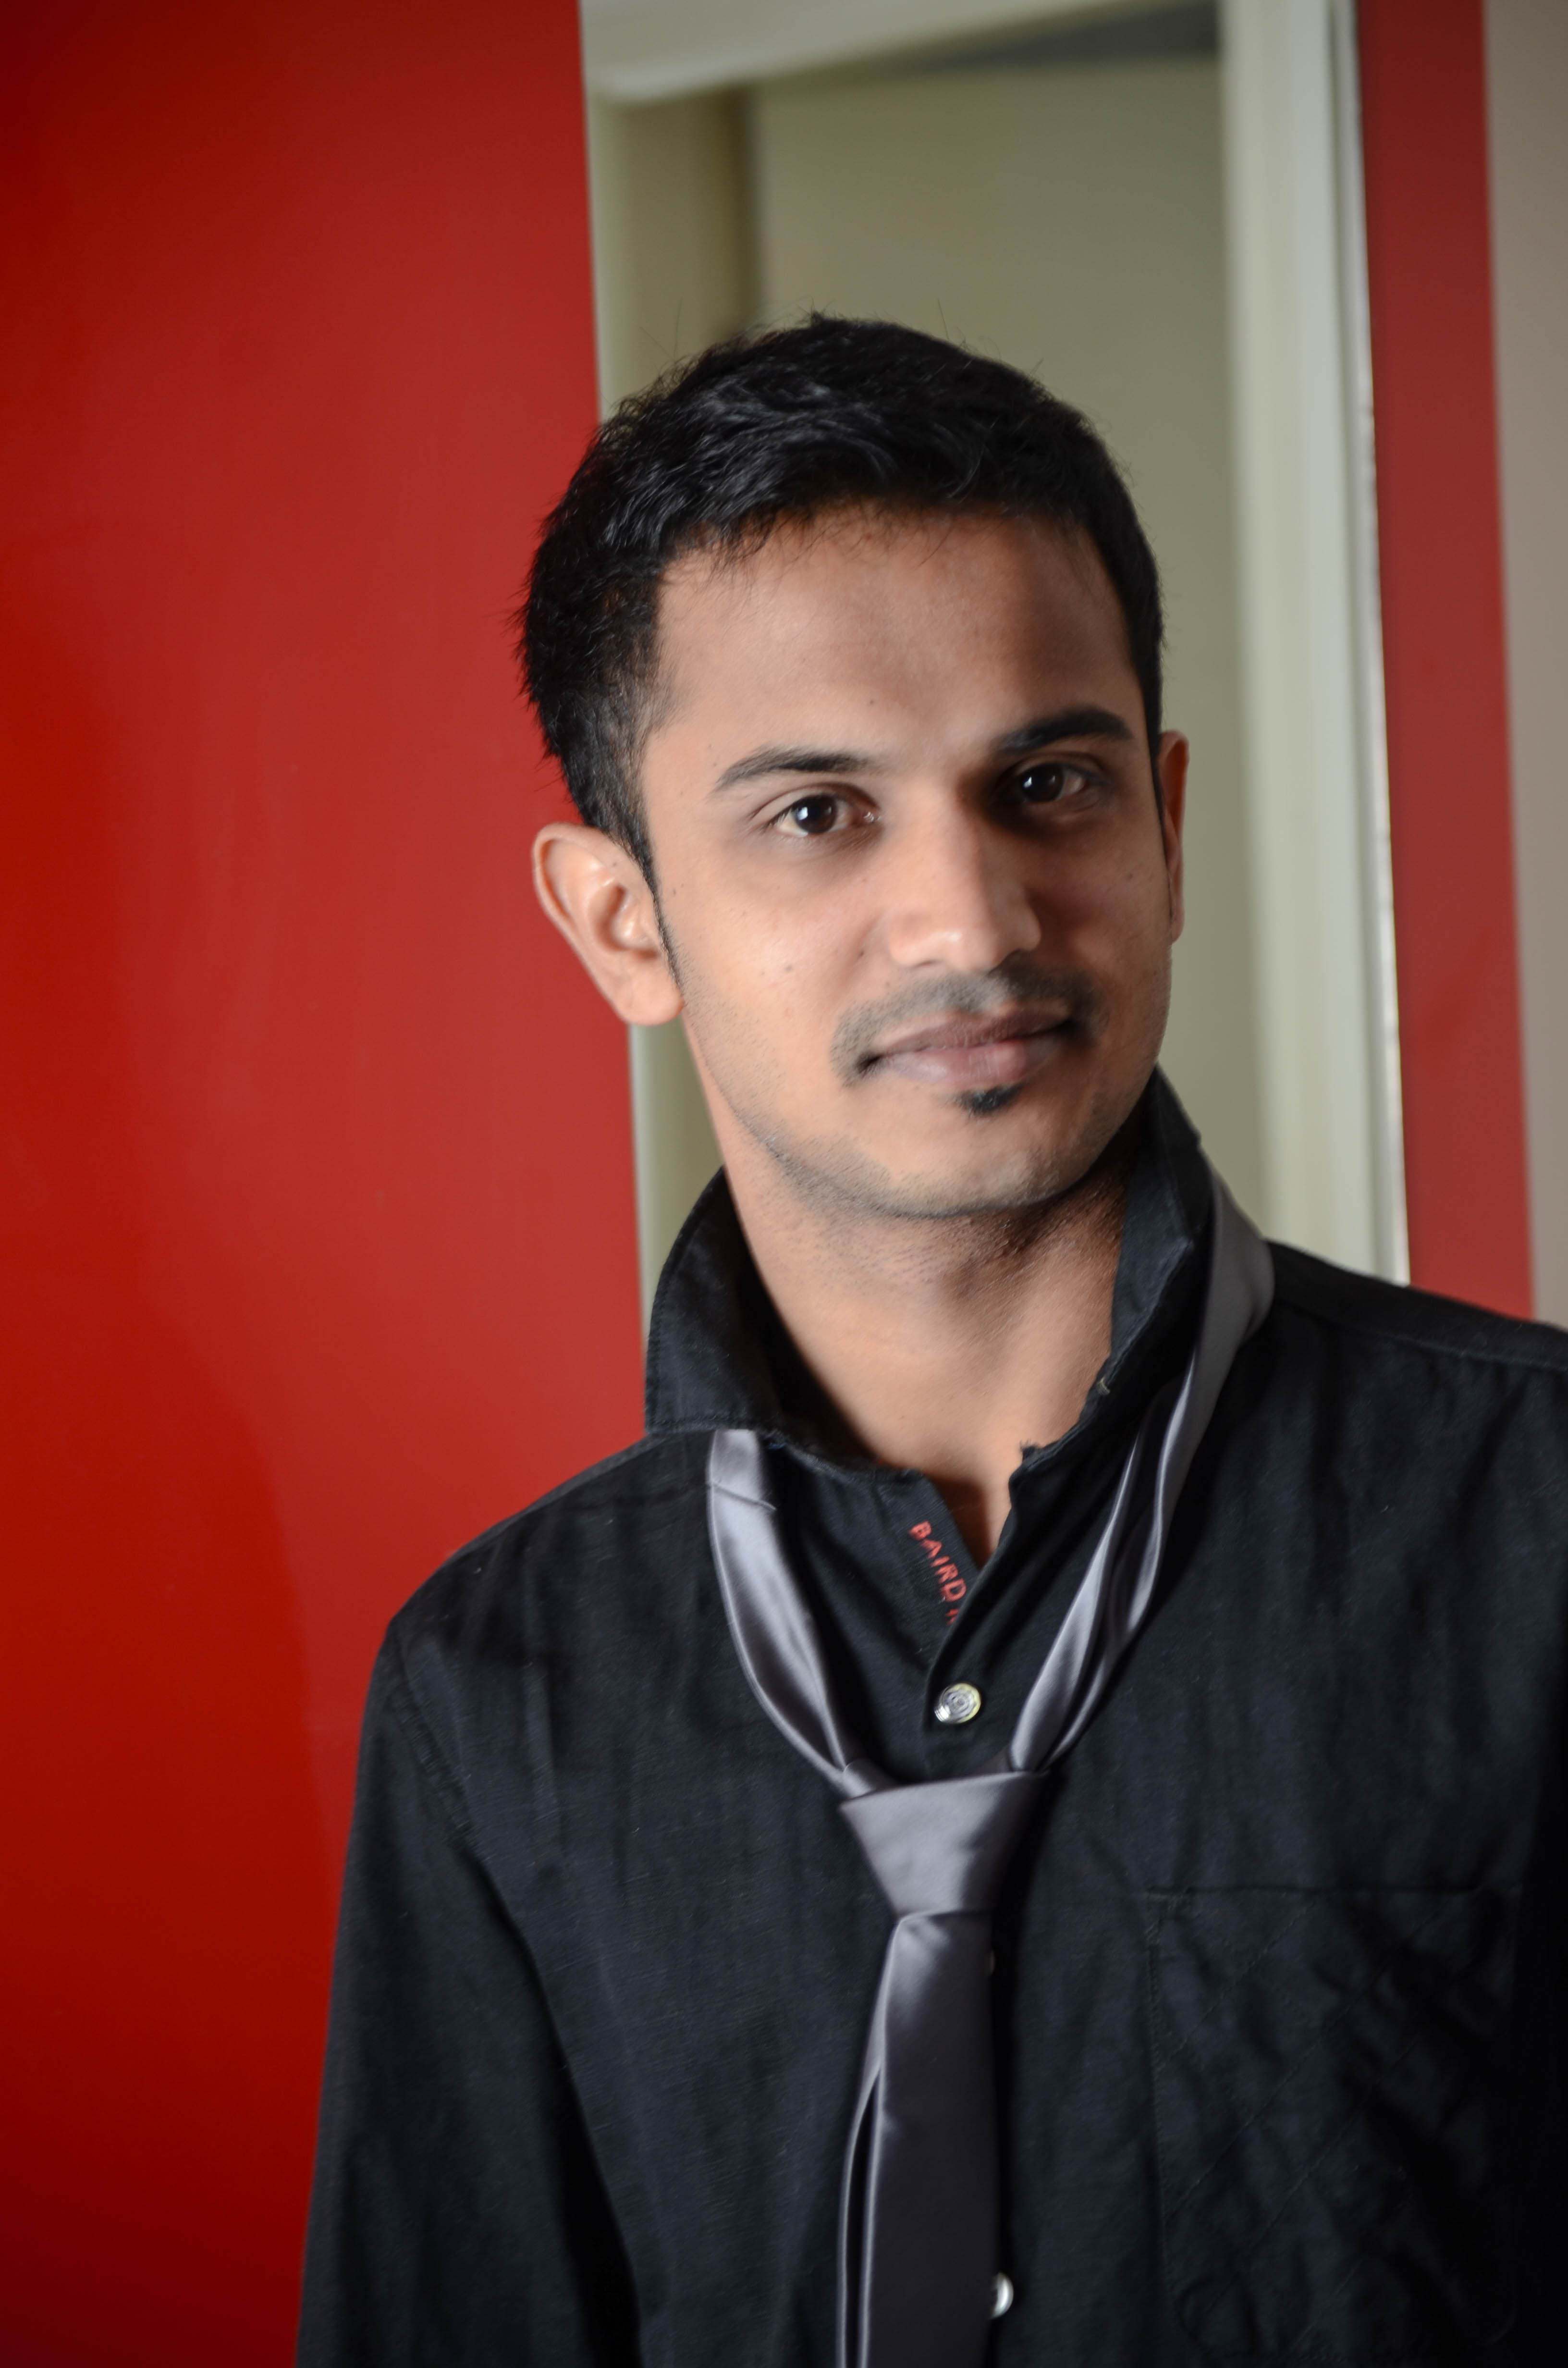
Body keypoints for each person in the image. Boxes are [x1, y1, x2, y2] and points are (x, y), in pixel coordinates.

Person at [298, 318, 1568, 2368]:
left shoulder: (1541, 1521)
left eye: (1047, 784)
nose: (973, 923)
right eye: (819, 814)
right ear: (623, 920)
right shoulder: (492, 1687)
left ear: (1166, 825)